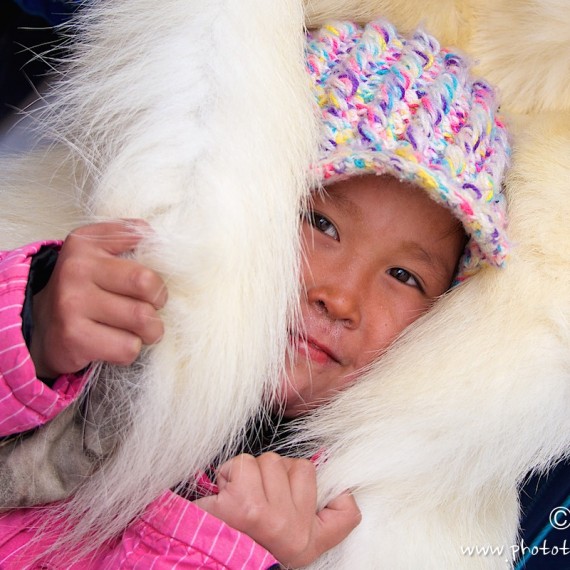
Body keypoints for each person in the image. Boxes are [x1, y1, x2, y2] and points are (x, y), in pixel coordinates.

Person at [0, 19, 509, 569]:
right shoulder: (90, 321)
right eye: (321, 223)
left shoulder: (347, 524)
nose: (340, 298)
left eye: (404, 276)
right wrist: (30, 335)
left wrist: (225, 554)